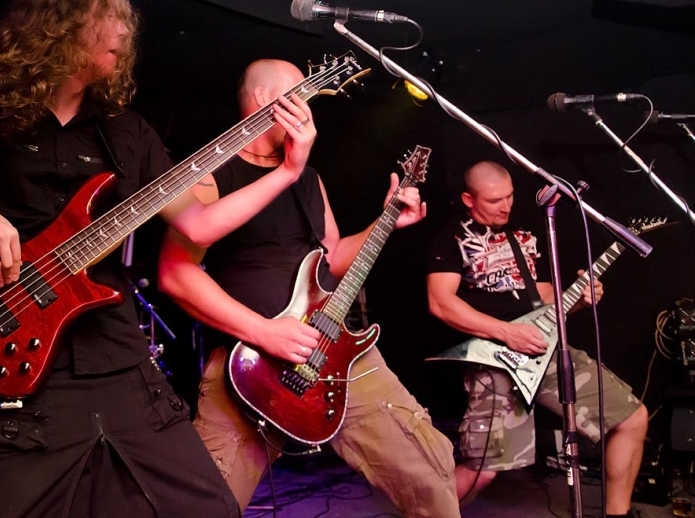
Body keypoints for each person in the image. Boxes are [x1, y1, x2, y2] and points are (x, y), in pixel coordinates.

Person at [0, 0, 320, 518]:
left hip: (113, 356)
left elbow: (199, 224)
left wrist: (287, 172)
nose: (126, 31)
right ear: (63, 20)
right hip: (8, 348)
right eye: (111, 16)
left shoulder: (127, 132)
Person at [156, 58, 461, 518]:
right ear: (265, 100)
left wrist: (385, 222)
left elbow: (331, 260)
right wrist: (264, 332)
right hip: (250, 365)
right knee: (205, 505)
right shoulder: (210, 174)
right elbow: (175, 274)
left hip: (333, 352)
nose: (310, 107)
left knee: (430, 473)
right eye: (303, 94)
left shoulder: (309, 177)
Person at [425, 160, 648, 518]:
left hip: (544, 351)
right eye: (494, 200)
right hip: (495, 358)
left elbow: (545, 302)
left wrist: (579, 299)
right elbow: (440, 303)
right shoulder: (449, 237)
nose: (506, 206)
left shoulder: (525, 235)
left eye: (510, 196)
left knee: (632, 419)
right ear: (469, 199)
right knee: (484, 469)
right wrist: (506, 332)